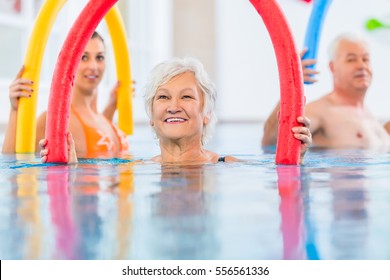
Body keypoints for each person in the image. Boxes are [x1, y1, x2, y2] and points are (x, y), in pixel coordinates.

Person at [40, 57, 311, 165]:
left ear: (206, 114)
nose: (173, 106)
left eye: (186, 97)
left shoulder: (228, 166)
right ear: (152, 119)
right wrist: (67, 172)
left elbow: (287, 194)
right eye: (163, 97)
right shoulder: (135, 169)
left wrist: (295, 161)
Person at [2, 31, 129, 158]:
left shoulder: (103, 118)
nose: (93, 66)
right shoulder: (54, 119)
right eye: (84, 57)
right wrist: (15, 110)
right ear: (69, 63)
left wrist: (112, 107)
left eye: (99, 57)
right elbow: (12, 162)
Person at [262, 33, 390, 151]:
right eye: (351, 59)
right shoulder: (320, 111)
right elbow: (271, 142)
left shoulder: (371, 117)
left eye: (365, 59)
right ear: (332, 67)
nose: (361, 66)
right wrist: (290, 85)